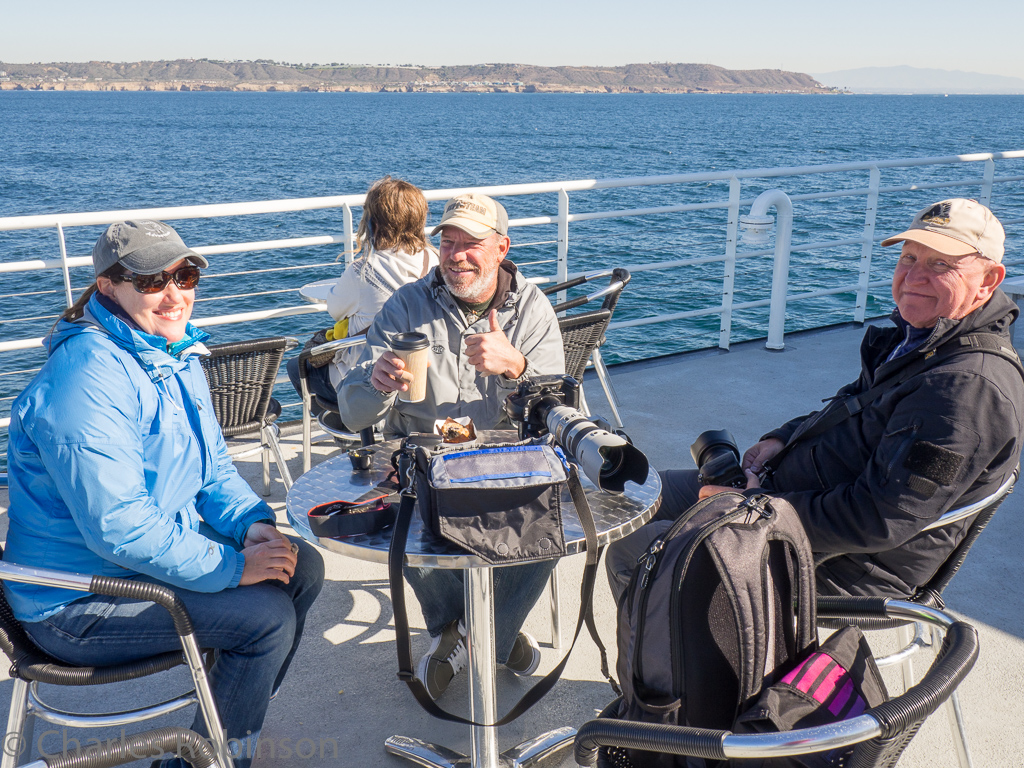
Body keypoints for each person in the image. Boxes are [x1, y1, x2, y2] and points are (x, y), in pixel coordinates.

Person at [4, 220, 325, 767]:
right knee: (266, 617)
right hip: (74, 600)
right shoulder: (87, 378)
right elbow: (119, 527)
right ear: (108, 287)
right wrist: (231, 569)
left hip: (132, 569)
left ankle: (221, 725)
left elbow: (211, 470)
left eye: (185, 274)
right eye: (152, 281)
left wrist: (252, 524)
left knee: (300, 567)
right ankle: (215, 752)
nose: (175, 294)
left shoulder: (172, 354)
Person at [607, 198, 1024, 601]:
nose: (914, 277)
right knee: (635, 494)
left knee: (635, 551)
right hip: (788, 497)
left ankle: (671, 670)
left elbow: (879, 520)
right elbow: (854, 404)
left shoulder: (966, 391)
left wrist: (751, 508)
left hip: (846, 564)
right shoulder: (922, 341)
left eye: (940, 265)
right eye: (909, 259)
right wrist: (782, 438)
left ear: (988, 281)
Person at [338, 193, 566, 698]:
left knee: (552, 527)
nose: (457, 254)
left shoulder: (531, 308)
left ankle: (476, 639)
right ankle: (486, 637)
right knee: (403, 521)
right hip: (426, 463)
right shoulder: (406, 305)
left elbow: (561, 410)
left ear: (502, 248)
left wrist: (518, 369)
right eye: (448, 241)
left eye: (473, 244)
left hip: (510, 463)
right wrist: (375, 383)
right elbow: (353, 413)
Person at [286, 175, 439, 413]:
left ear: (374, 222)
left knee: (296, 367)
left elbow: (335, 310)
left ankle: (349, 429)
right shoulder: (436, 260)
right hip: (424, 376)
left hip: (371, 378)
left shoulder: (364, 270)